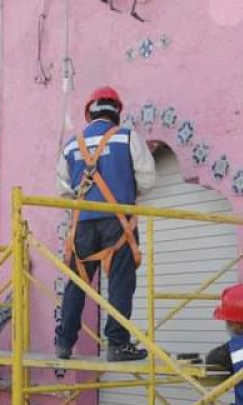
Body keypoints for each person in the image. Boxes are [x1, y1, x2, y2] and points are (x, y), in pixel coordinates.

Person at [55, 85, 155, 362]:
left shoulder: (71, 144)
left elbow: (62, 189)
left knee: (78, 283)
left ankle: (64, 343)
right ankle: (117, 344)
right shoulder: (127, 137)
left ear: (89, 113)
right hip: (118, 221)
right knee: (121, 283)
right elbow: (147, 180)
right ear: (117, 112)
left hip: (83, 223)